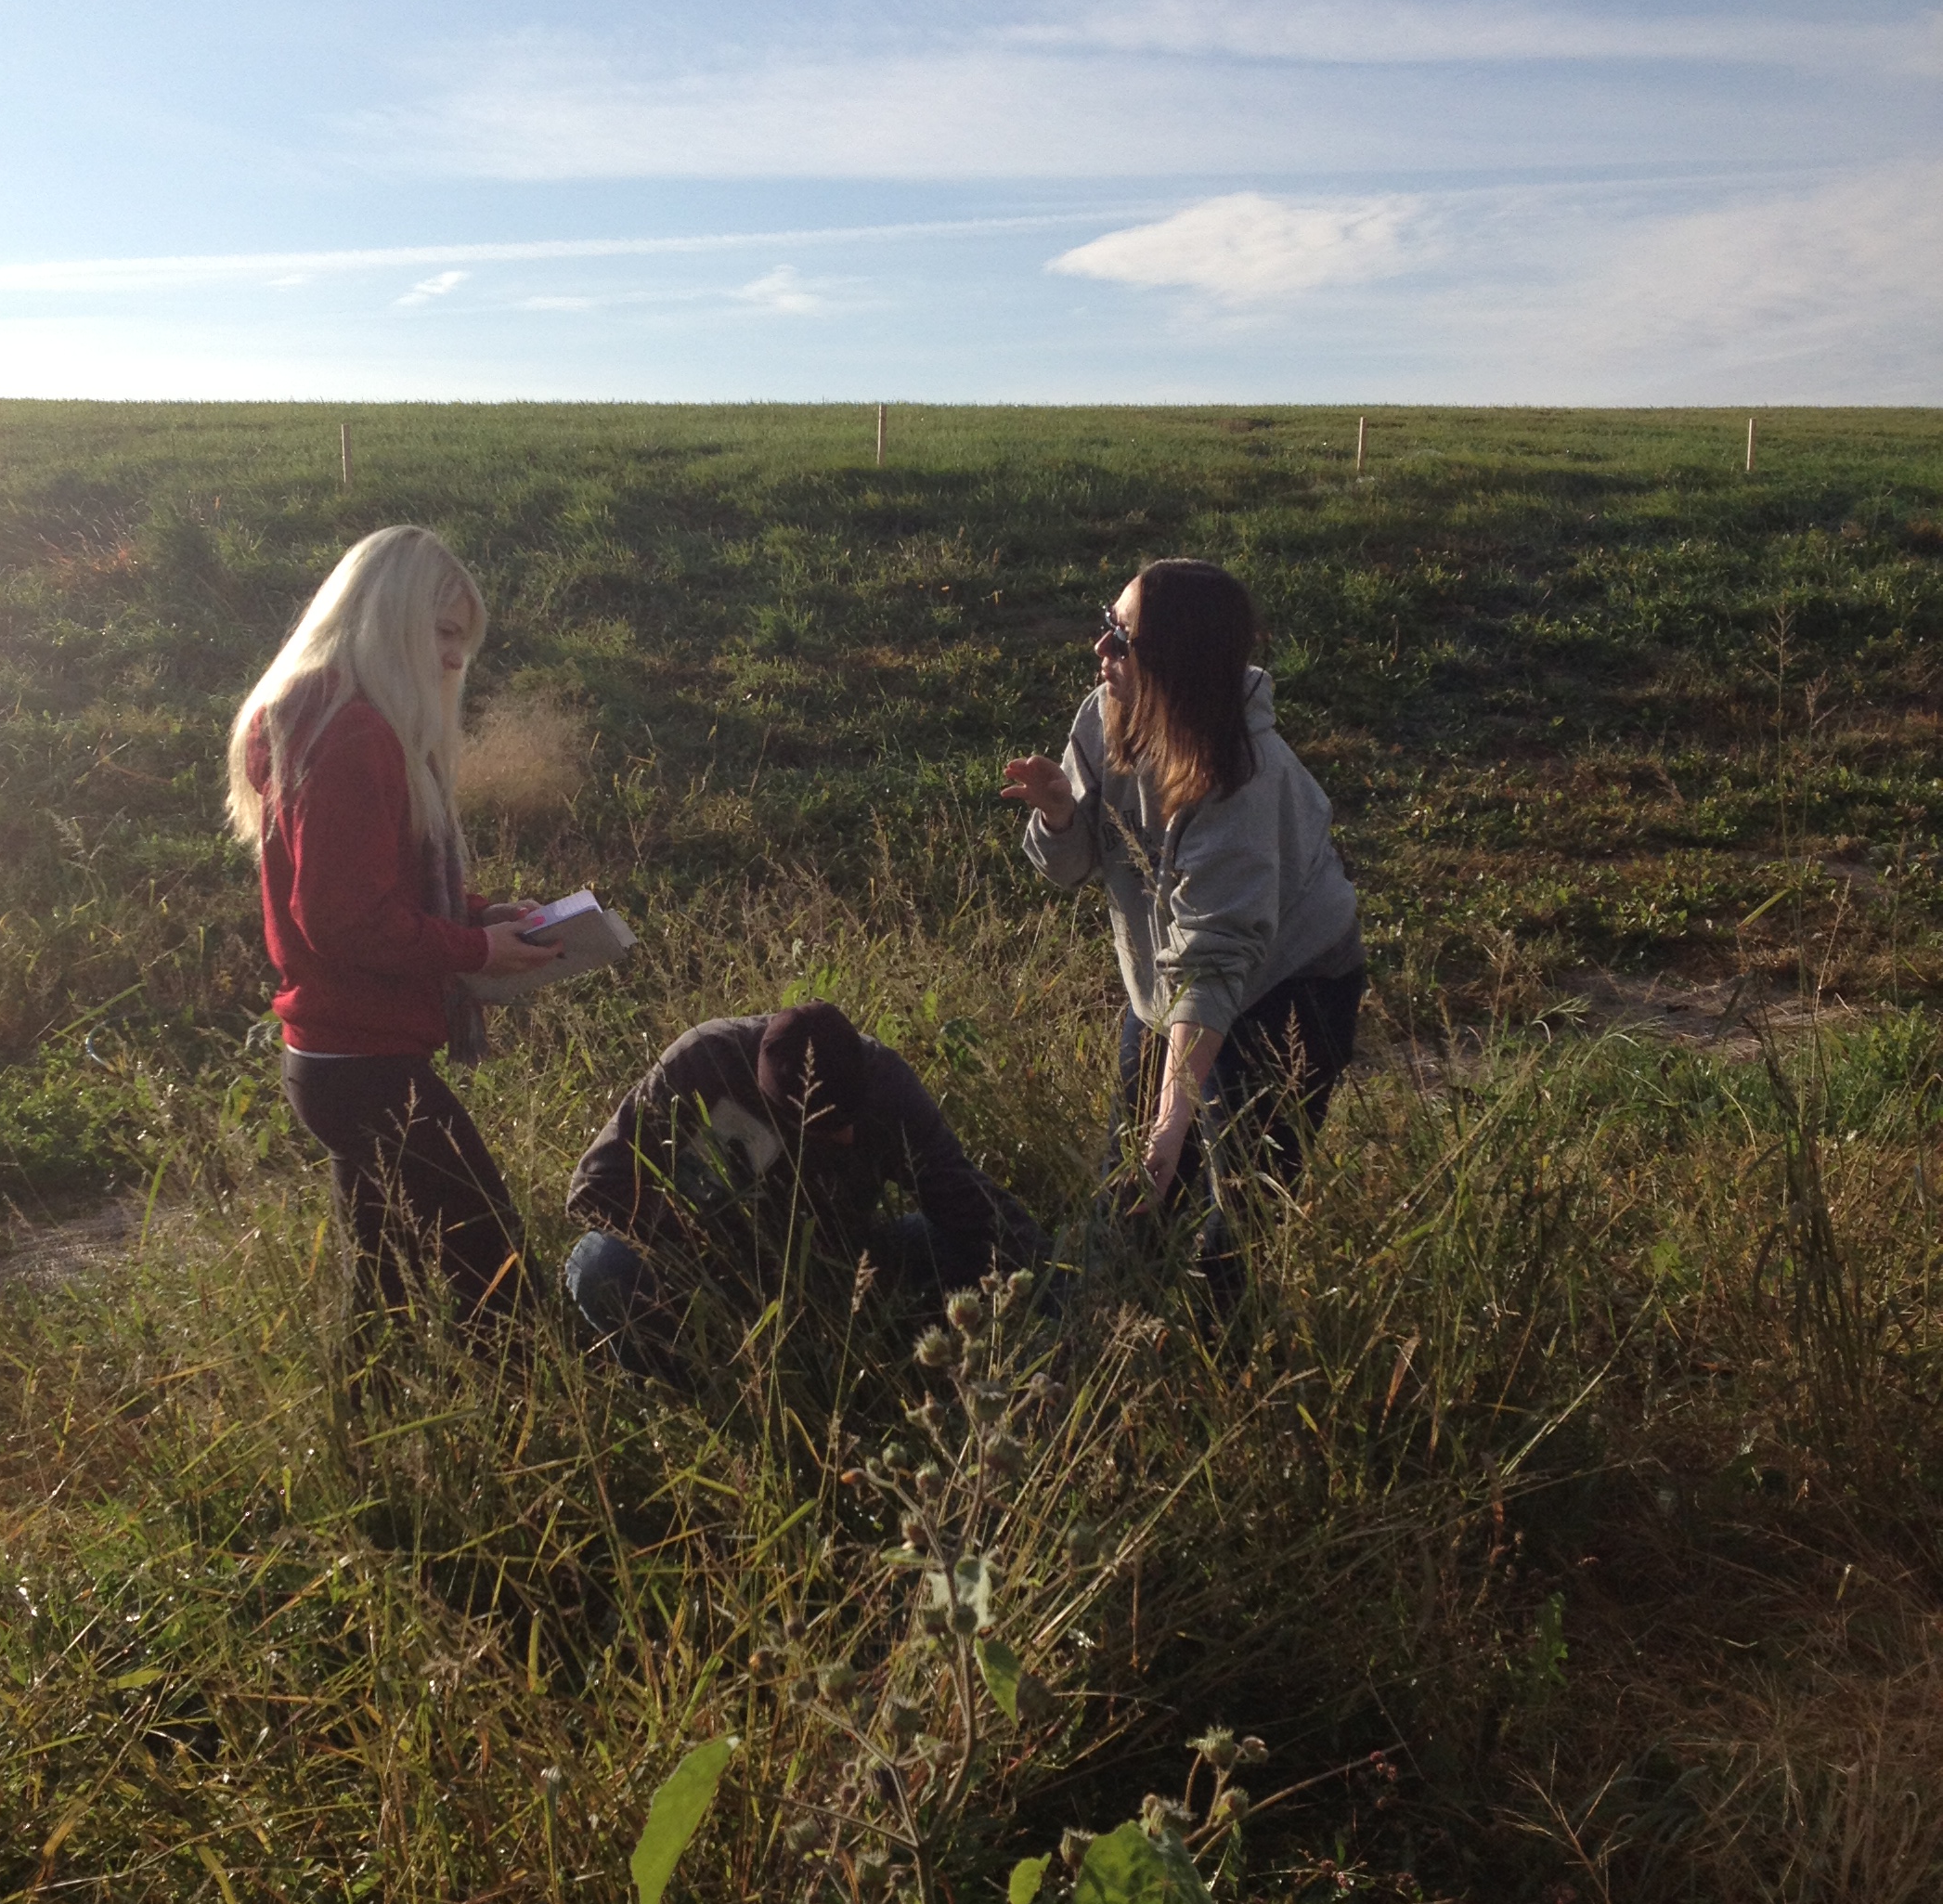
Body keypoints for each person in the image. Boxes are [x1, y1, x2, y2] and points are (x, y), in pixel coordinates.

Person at [225, 524, 560, 1358]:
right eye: (443, 634)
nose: (455, 659)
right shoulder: (355, 736)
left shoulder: (312, 718)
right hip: (366, 1064)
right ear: (391, 618)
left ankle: (373, 1448)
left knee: (378, 1304)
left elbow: (365, 889)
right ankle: (524, 1442)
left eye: (463, 641)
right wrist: (478, 954)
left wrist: (476, 916)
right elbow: (343, 921)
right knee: (495, 1275)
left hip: (330, 1060)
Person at [1002, 558, 1364, 1300]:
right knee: (1131, 1196)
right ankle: (1097, 1339)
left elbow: (1217, 956)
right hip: (1166, 986)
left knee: (1235, 1216)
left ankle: (1221, 1367)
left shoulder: (1242, 777)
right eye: (1107, 624)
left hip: (1289, 989)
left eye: (1119, 636)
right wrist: (1061, 813)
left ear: (1174, 659)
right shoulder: (1104, 718)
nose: (1099, 650)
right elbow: (1075, 869)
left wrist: (1174, 1118)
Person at [563, 1001, 1045, 1362]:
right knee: (600, 1267)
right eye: (828, 1129)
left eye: (852, 1117)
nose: (849, 1136)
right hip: (710, 1272)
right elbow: (594, 1188)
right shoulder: (703, 1062)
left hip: (838, 1267)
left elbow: (962, 1196)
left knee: (959, 1247)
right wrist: (708, 1252)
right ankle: (703, 1385)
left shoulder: (886, 1082)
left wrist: (1051, 1282)